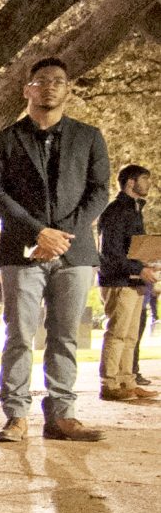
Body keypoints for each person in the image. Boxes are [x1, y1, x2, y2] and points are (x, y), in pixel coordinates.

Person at [0, 56, 110, 445]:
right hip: (21, 252)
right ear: (28, 90)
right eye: (41, 81)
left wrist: (61, 236)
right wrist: (39, 233)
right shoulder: (3, 139)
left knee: (65, 337)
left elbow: (99, 191)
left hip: (75, 252)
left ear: (67, 89)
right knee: (19, 335)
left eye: (58, 81)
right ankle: (16, 416)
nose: (50, 86)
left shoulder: (89, 137)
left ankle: (62, 416)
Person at [97, 164, 156, 405]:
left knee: (131, 335)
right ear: (130, 182)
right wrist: (137, 268)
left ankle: (127, 381)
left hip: (134, 281)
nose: (149, 183)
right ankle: (109, 383)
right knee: (117, 333)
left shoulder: (134, 210)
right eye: (144, 178)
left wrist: (147, 264)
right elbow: (110, 251)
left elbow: (133, 248)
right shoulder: (116, 211)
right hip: (118, 281)